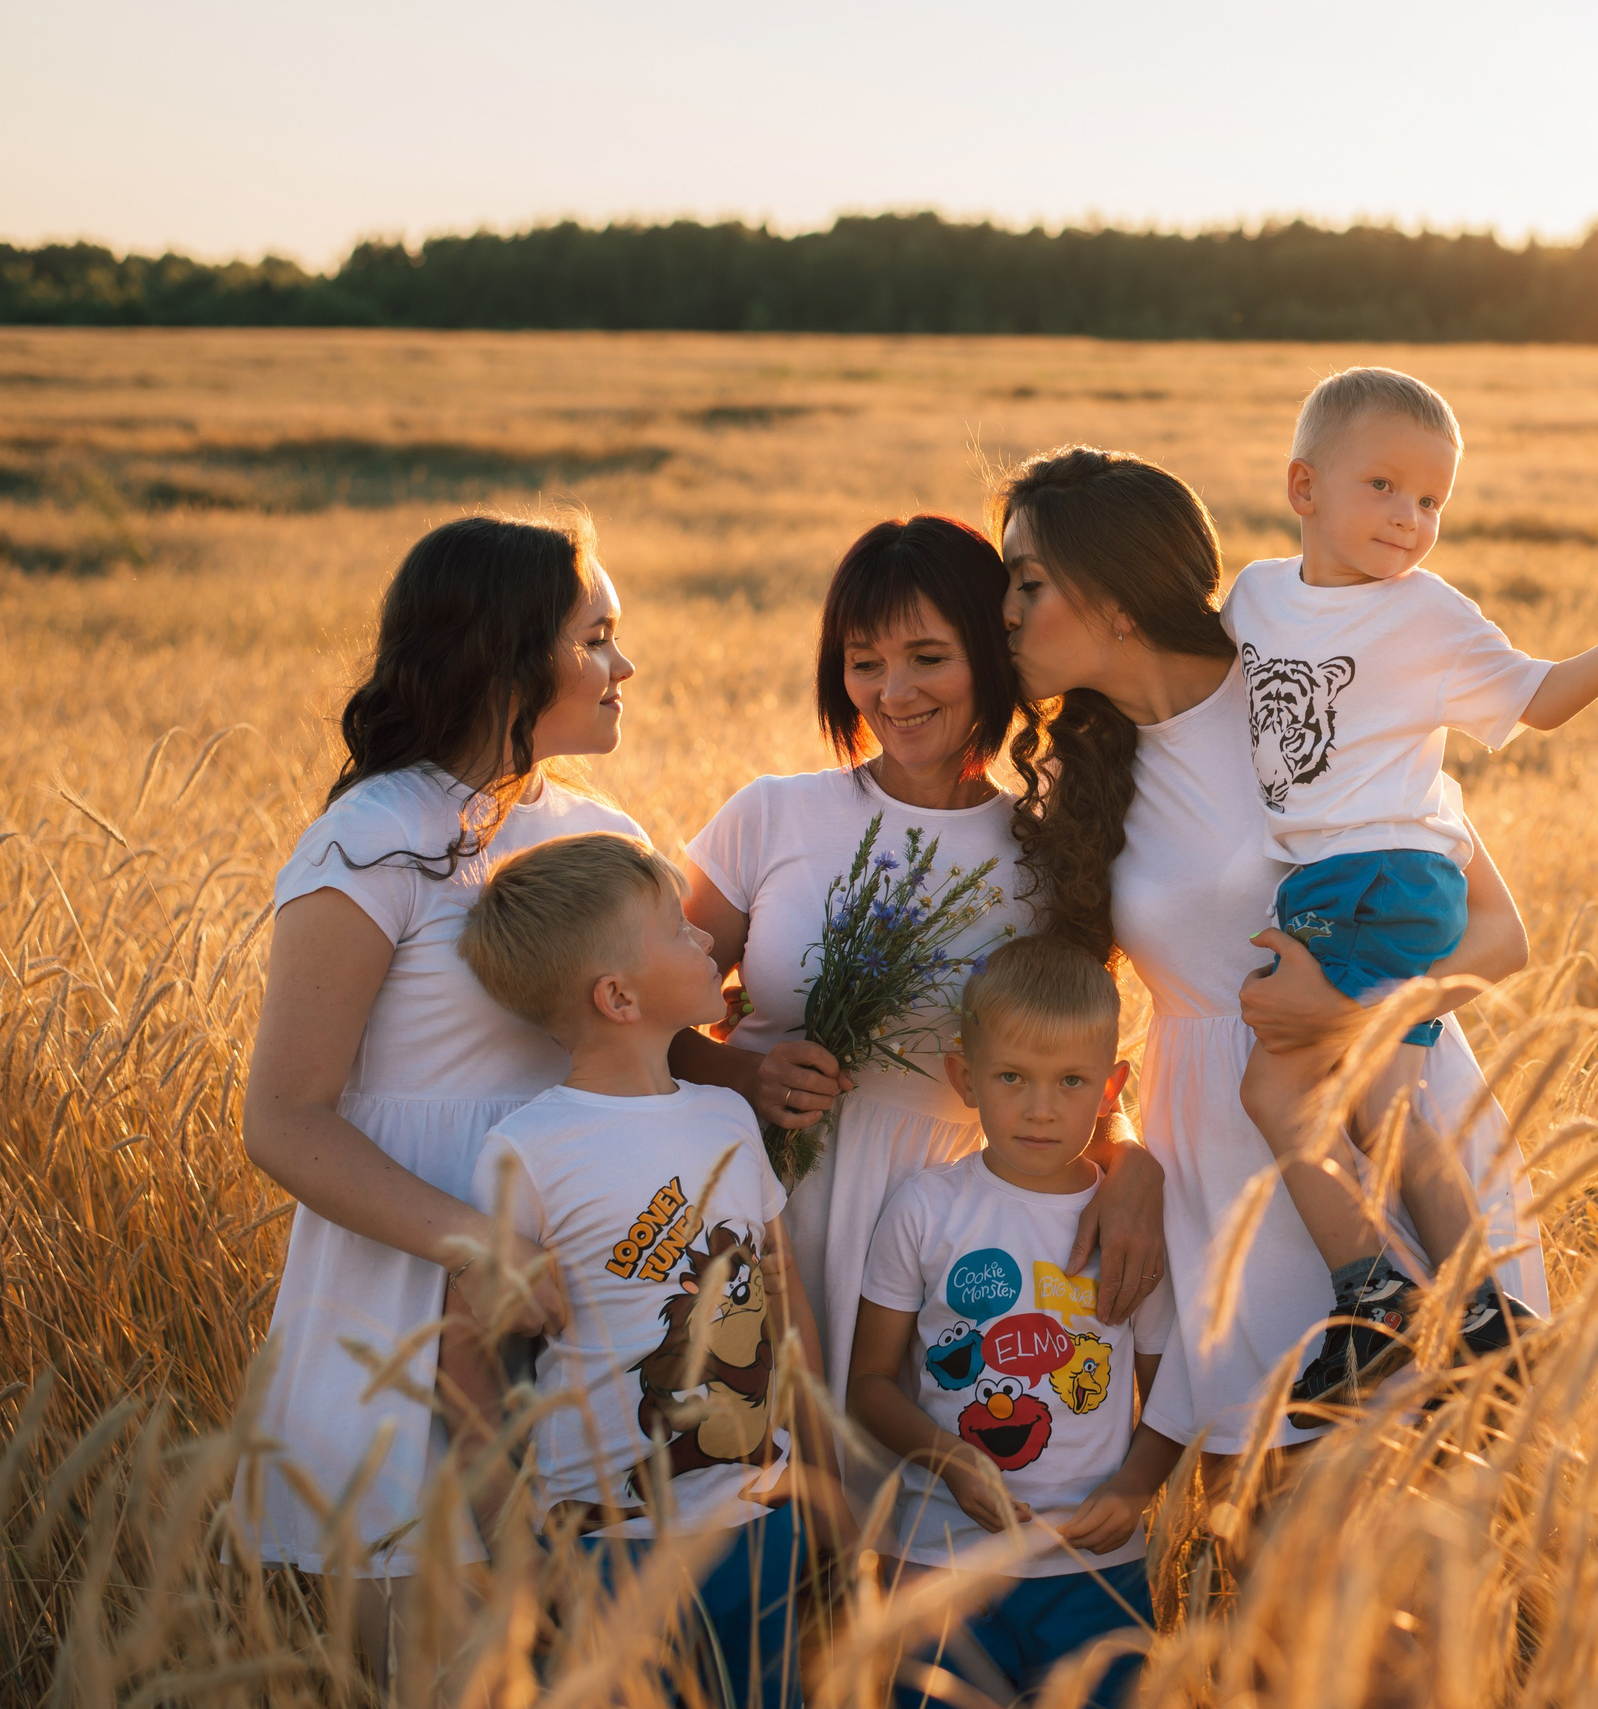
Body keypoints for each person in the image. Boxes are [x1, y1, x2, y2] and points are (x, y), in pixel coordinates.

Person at [993, 445, 1547, 1453]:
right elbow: (1071, 1023)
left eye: (1027, 583)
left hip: (1387, 1129)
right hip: (1217, 1178)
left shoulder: (1299, 703)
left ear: (1114, 598)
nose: (1008, 613)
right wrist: (1117, 1153)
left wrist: (1354, 1012)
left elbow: (1502, 933)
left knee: (1433, 1523)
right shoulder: (1085, 775)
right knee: (1263, 1533)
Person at [1222, 366, 1598, 1403]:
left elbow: (1541, 697)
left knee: (1369, 1088)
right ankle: (1392, 1300)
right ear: (1303, 487)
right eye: (1383, 485)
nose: (1410, 518)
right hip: (1322, 884)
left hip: (1385, 872)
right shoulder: (1253, 595)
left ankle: (1445, 1302)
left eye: (1431, 500)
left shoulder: (1425, 613)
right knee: (1281, 1088)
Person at [668, 516, 1166, 1521]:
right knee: (740, 1522)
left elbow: (1064, 1062)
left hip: (948, 1237)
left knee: (895, 1541)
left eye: (928, 657)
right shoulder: (772, 815)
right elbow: (641, 1019)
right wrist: (743, 1075)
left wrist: (1132, 1159)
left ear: (990, 656)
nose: (893, 693)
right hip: (750, 1207)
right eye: (864, 663)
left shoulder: (1042, 857)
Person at [238, 511, 643, 1671]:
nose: (625, 667)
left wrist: (745, 1067)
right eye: (597, 636)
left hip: (583, 1307)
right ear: (507, 653)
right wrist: (478, 1244)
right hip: (405, 1310)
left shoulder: (602, 834)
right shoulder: (372, 840)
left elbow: (640, 1033)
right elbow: (285, 1113)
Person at [444, 831, 843, 1709]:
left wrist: (824, 1478)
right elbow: (466, 1358)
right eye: (676, 929)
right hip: (611, 1545)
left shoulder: (728, 1118)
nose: (705, 938)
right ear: (617, 995)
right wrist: (516, 1545)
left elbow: (786, 1302)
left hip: (762, 1521)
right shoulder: (529, 1153)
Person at [849, 934, 1181, 1709]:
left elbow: (1170, 1393)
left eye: (1071, 1080)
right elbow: (869, 1383)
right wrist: (949, 1460)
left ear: (1112, 1087)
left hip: (1095, 1571)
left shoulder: (1130, 1225)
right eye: (1011, 1077)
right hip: (941, 1564)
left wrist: (1137, 1486)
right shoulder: (926, 1208)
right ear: (966, 1079)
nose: (1040, 1107)